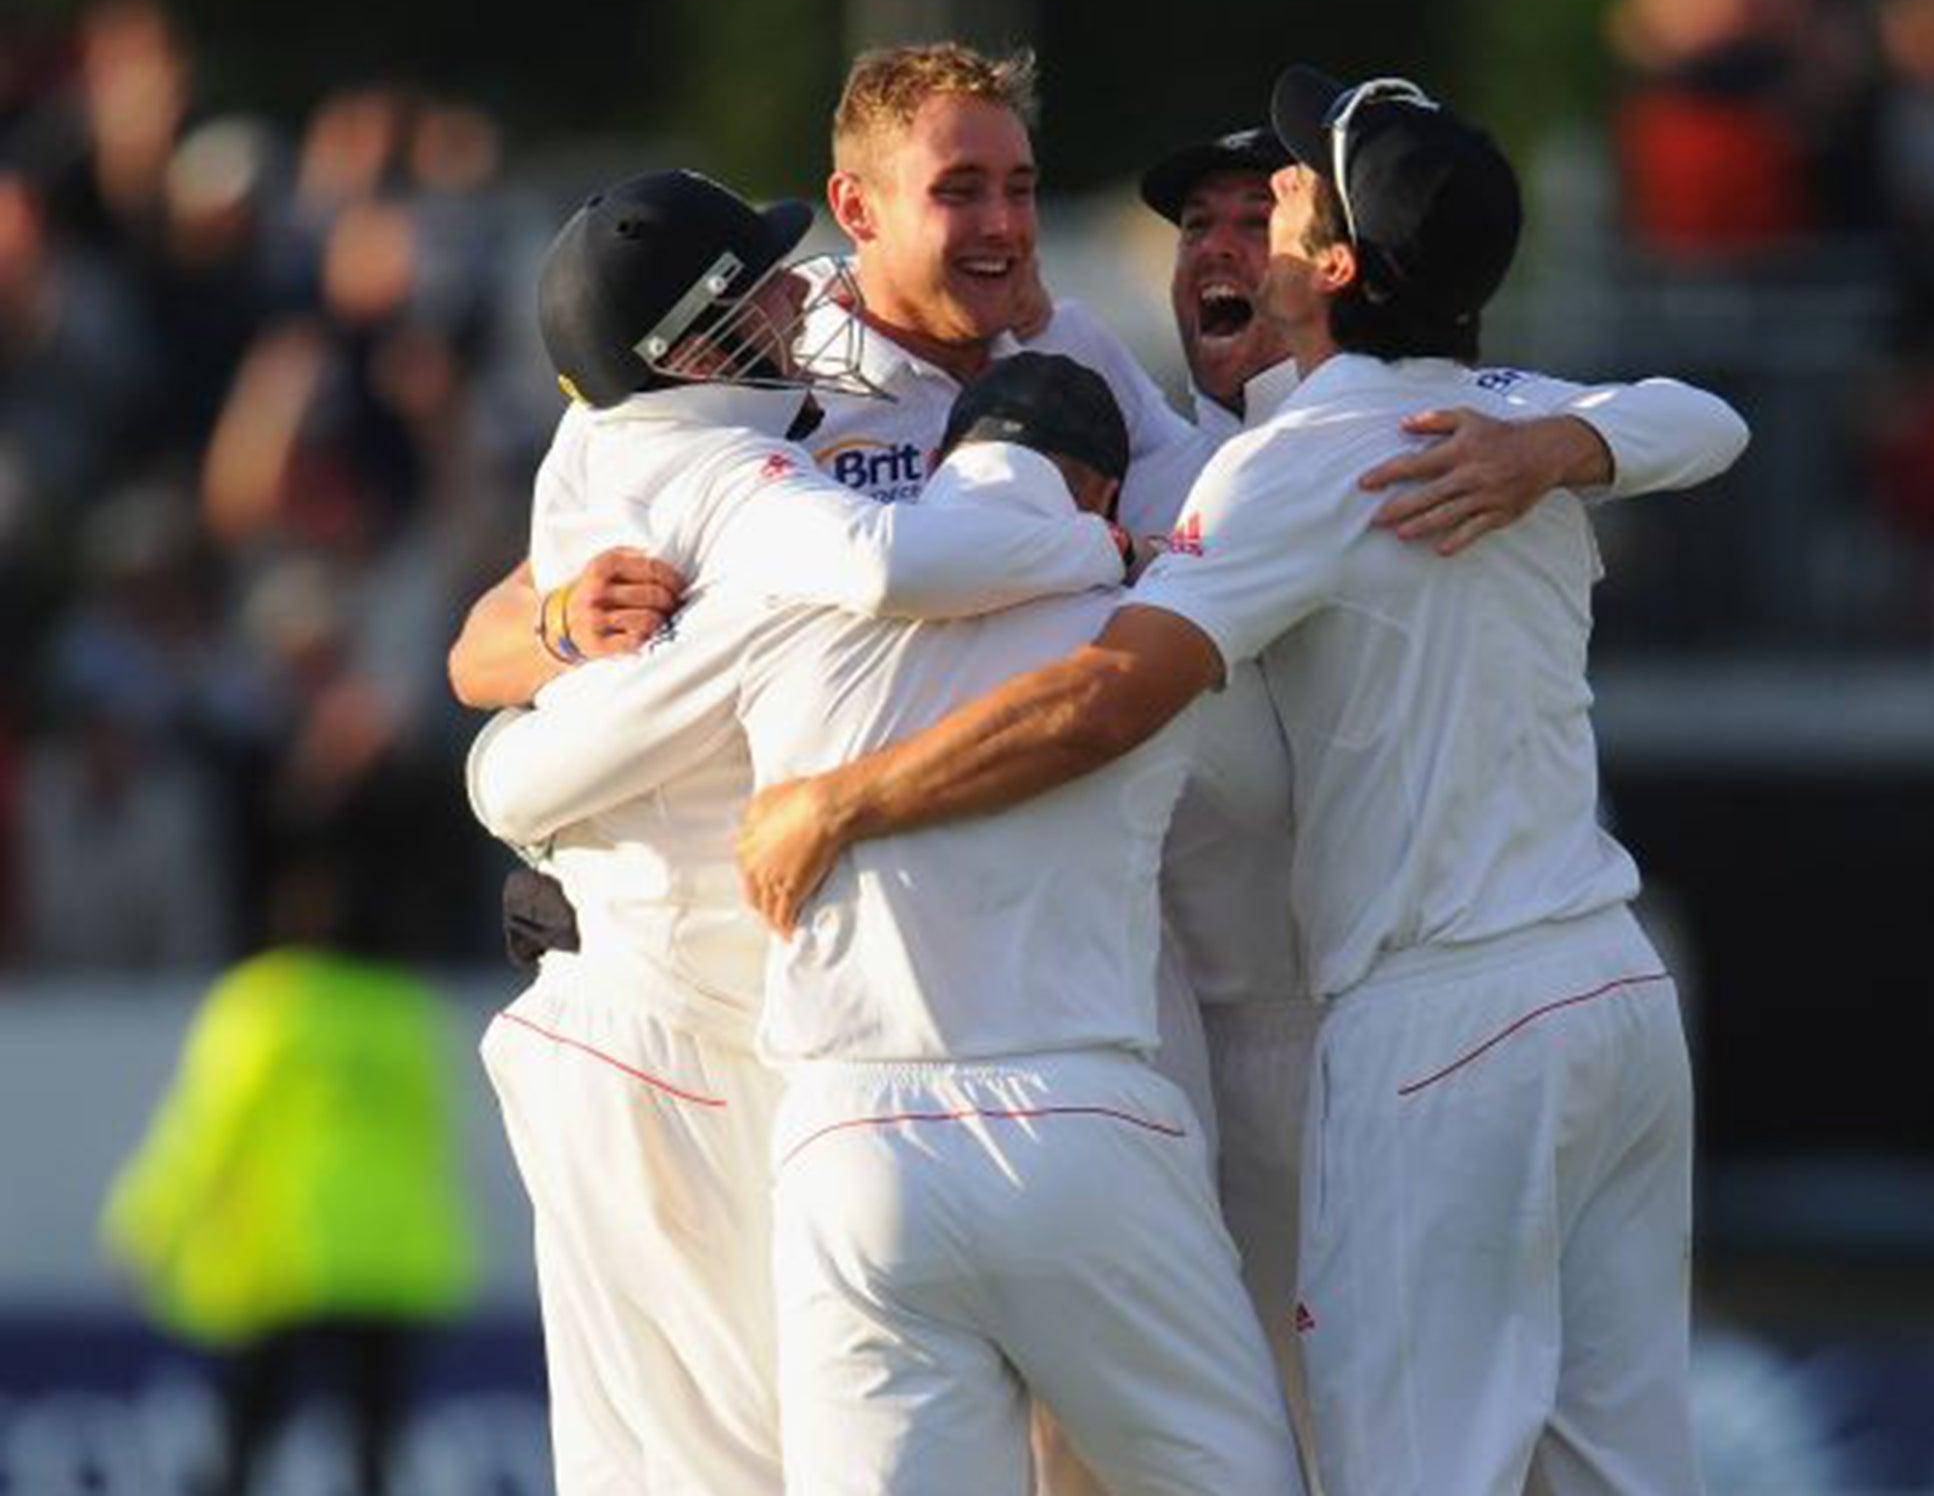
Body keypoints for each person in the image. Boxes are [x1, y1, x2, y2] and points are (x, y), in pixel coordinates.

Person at [735, 70, 1726, 1496]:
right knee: (1620, 1470)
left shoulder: (1290, 471)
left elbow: (1101, 698)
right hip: (1611, 991)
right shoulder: (1507, 410)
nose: (1237, 232)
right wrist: (1566, 446)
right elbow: (1706, 417)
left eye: (1275, 201)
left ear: (1331, 265)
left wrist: (843, 801)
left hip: (1428, 1024)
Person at [467, 351, 1306, 1496]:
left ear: (944, 463)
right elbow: (1262, 798)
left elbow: (518, 787)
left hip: (848, 1146)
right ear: (1101, 493)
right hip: (1081, 1120)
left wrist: (534, 681)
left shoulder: (788, 605)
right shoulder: (1135, 613)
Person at [101, 850, 476, 1496]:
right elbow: (434, 1134)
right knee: (376, 1459)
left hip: (289, 1258)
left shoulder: (267, 1002)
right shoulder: (405, 1011)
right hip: (394, 1262)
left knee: (244, 1445)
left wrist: (144, 1224)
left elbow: (206, 1129)